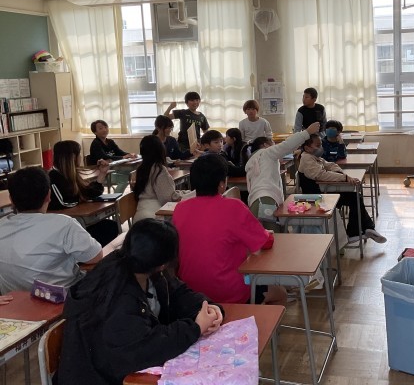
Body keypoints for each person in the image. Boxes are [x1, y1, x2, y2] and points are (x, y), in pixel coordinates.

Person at [57, 219, 224, 385]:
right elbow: (146, 348)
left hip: (118, 369)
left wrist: (208, 308)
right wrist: (195, 328)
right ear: (163, 264)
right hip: (100, 378)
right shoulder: (117, 295)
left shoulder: (146, 268)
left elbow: (179, 293)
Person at [173, 154, 286, 304]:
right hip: (228, 291)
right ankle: (256, 318)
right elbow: (266, 242)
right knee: (280, 293)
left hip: (190, 293)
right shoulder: (234, 207)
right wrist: (266, 233)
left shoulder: (180, 209)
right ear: (222, 184)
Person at [0, 167, 102, 293]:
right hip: (64, 300)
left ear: (11, 199)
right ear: (48, 195)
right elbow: (96, 256)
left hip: (15, 302)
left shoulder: (2, 225)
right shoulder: (64, 224)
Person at [298, 134, 386, 244]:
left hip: (324, 193)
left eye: (321, 145)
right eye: (318, 145)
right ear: (307, 148)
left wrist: (340, 173)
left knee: (355, 197)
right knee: (354, 198)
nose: (321, 148)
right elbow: (320, 175)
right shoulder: (306, 158)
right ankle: (360, 230)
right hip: (316, 199)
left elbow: (330, 165)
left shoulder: (315, 157)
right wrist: (344, 177)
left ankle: (364, 229)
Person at [245, 122, 320, 226]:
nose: (274, 145)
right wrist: (307, 132)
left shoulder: (253, 161)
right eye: (272, 143)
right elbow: (287, 146)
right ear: (265, 145)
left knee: (263, 234)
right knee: (274, 234)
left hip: (257, 202)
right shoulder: (267, 153)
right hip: (266, 201)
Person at [48, 140, 120, 246]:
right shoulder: (53, 177)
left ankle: (96, 254)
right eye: (79, 154)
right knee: (106, 231)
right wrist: (81, 199)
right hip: (67, 226)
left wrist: (102, 173)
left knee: (112, 226)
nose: (81, 157)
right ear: (73, 157)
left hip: (77, 222)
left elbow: (88, 193)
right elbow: (62, 204)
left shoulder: (71, 175)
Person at [132, 135, 191, 223]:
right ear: (160, 150)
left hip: (140, 216)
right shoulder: (159, 170)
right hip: (155, 217)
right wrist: (188, 195)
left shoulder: (140, 169)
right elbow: (168, 197)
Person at [87, 119, 136, 192]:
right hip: (101, 173)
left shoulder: (110, 141)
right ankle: (117, 197)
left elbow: (119, 152)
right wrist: (123, 157)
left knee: (132, 171)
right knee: (125, 179)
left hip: (112, 168)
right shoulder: (96, 143)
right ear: (95, 132)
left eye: (106, 127)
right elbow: (104, 157)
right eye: (100, 128)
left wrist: (130, 155)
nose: (104, 130)